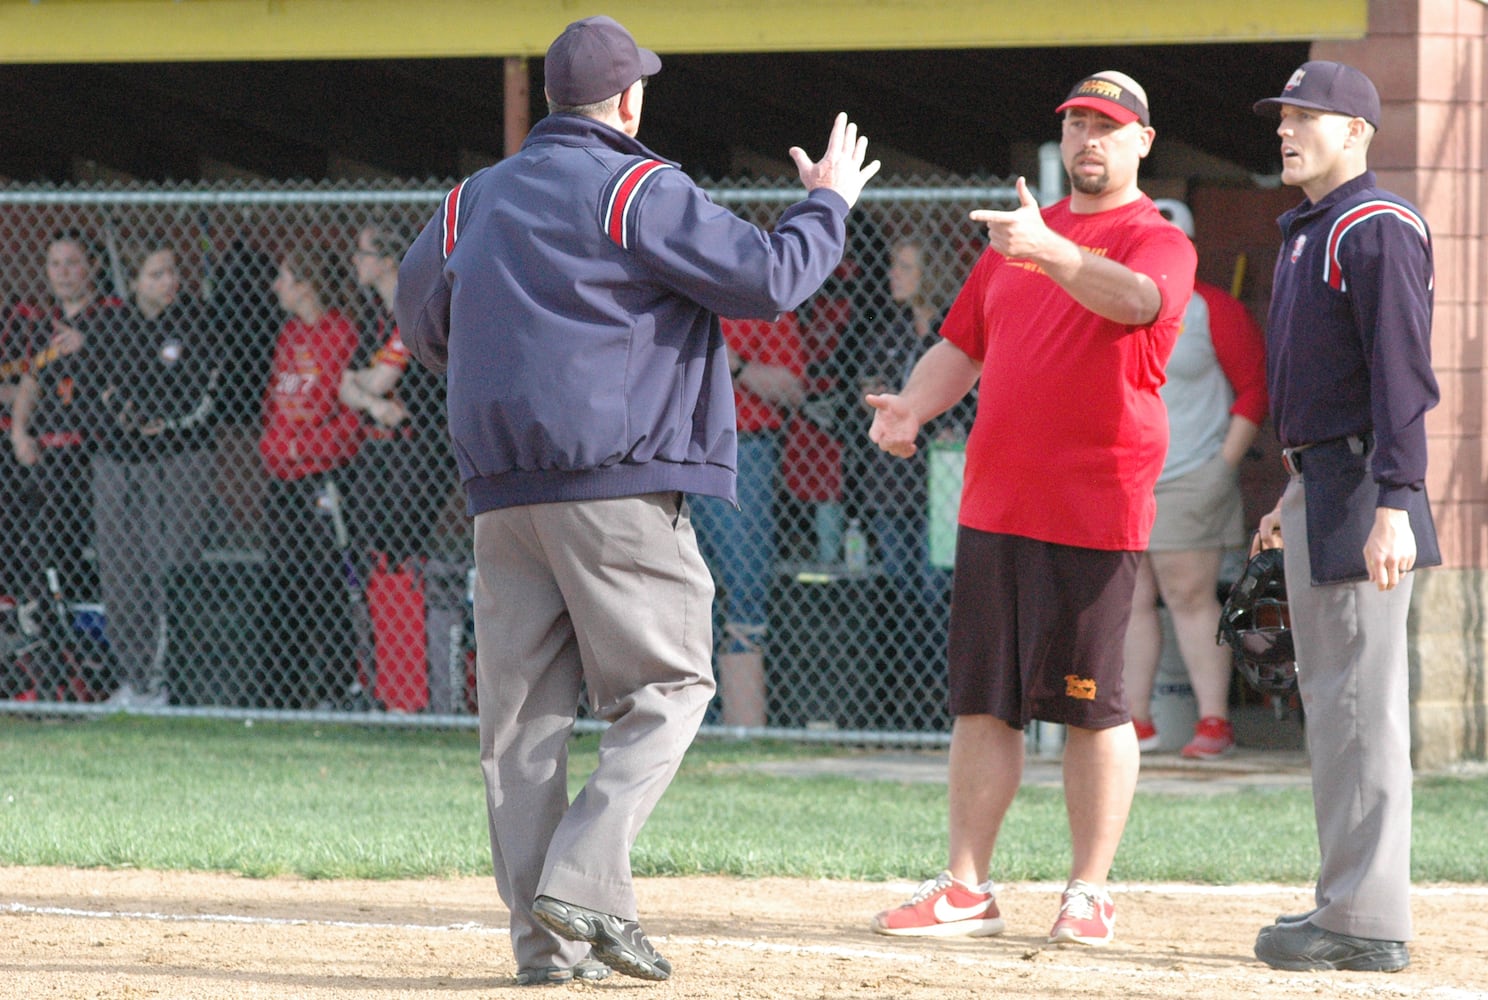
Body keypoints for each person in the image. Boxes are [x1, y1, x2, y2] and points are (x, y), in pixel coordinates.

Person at [395, 14, 880, 985]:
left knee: (522, 726)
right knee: (669, 689)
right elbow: (769, 280)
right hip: (614, 484)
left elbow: (417, 317)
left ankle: (548, 950)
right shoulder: (636, 183)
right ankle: (581, 881)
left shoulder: (473, 199)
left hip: (500, 494)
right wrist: (825, 203)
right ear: (628, 101)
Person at [866, 71, 1195, 946]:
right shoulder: (1015, 242)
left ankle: (1088, 891)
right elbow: (961, 343)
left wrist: (1048, 249)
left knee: (1093, 705)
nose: (1089, 140)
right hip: (994, 501)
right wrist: (911, 407)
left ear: (1142, 143)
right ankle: (966, 886)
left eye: (1108, 126)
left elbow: (1138, 302)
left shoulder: (1154, 239)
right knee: (983, 703)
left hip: (1095, 507)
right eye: (1078, 124)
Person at [1248, 61, 1438, 974]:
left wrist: (1397, 503)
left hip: (1365, 486)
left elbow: (1402, 378)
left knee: (1360, 708)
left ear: (1358, 130)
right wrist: (1289, 495)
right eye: (1282, 118)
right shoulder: (1311, 228)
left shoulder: (1375, 226)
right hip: (1322, 483)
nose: (1287, 130)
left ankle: (1364, 920)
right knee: (1336, 707)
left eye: (1307, 117)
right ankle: (1349, 903)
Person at [1122, 200, 1268, 759]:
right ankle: (1136, 723)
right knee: (1129, 598)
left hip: (1190, 472)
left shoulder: (1214, 309)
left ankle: (1213, 723)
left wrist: (1222, 466)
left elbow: (1254, 388)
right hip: (1127, 471)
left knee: (1188, 594)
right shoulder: (1118, 302)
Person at [92, 242, 219, 707]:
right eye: (156, 274)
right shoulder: (111, 324)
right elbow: (99, 387)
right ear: (134, 282)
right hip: (119, 461)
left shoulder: (196, 322)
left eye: (172, 271)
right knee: (121, 569)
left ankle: (169, 677)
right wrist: (124, 414)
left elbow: (204, 391)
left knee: (168, 564)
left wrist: (167, 422)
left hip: (178, 459)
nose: (170, 281)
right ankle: (135, 678)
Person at [338, 222, 457, 713]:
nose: (355, 263)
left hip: (419, 449)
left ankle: (416, 690)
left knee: (404, 551)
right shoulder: (371, 316)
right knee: (373, 552)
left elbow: (382, 374)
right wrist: (373, 403)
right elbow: (346, 382)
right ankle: (388, 684)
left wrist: (366, 391)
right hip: (380, 448)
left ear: (388, 260)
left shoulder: (418, 304)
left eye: (364, 253)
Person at [256, 245, 364, 710]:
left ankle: (339, 686)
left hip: (325, 481)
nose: (276, 287)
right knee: (284, 583)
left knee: (326, 584)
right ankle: (284, 692)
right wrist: (277, 449)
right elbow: (273, 410)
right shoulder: (287, 335)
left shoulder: (342, 333)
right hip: (284, 482)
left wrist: (303, 447)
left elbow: (350, 420)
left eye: (283, 277)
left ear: (305, 284)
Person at [689, 313, 806, 727]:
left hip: (743, 451)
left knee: (743, 586)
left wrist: (734, 364)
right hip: (677, 451)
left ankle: (741, 722)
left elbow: (792, 389)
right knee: (684, 587)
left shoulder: (762, 295)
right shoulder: (678, 289)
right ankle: (692, 717)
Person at [6, 232, 125, 617]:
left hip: (97, 453)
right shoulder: (44, 325)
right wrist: (20, 432)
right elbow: (31, 382)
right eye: (55, 264)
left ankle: (81, 632)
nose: (63, 273)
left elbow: (134, 370)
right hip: (49, 453)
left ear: (93, 266)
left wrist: (90, 343)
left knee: (84, 546)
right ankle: (40, 625)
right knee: (37, 541)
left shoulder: (114, 315)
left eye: (72, 263)